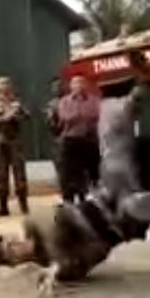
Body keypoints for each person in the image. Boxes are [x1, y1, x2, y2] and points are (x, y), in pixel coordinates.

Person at [0, 51, 150, 295]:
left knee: (110, 118)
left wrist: (58, 259)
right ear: (16, 262)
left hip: (106, 191)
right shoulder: (61, 270)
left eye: (8, 240)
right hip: (121, 220)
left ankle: (145, 85)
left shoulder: (33, 225)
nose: (14, 244)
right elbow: (94, 255)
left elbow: (53, 221)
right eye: (10, 251)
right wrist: (59, 265)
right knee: (138, 205)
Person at [55, 75, 100, 203]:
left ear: (86, 85)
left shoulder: (94, 100)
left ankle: (87, 198)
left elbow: (96, 115)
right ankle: (68, 199)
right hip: (70, 141)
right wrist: (82, 114)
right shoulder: (64, 101)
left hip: (89, 140)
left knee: (91, 172)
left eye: (81, 82)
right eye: (75, 83)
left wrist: (79, 115)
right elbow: (65, 117)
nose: (79, 85)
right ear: (71, 86)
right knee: (68, 173)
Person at [0, 76, 30, 215]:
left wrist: (16, 114)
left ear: (11, 86)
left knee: (19, 173)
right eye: (1, 83)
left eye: (6, 83)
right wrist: (3, 118)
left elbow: (27, 115)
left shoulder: (17, 102)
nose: (4, 86)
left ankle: (23, 204)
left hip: (15, 140)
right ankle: (3, 205)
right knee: (1, 174)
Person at [45, 77, 66, 188]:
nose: (57, 88)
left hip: (72, 138)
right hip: (57, 139)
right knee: (59, 165)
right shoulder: (51, 104)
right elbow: (50, 124)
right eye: (54, 87)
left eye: (59, 86)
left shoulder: (70, 100)